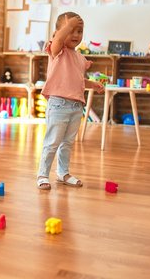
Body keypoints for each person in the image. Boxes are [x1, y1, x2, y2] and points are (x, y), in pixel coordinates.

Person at [37, 12, 104, 190]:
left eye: (79, 31)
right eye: (70, 30)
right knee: (52, 142)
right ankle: (43, 174)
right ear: (58, 32)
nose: (75, 35)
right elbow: (59, 39)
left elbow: (77, 80)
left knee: (67, 143)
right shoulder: (57, 51)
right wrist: (66, 27)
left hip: (76, 107)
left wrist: (93, 84)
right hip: (58, 105)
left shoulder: (79, 57)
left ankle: (63, 173)